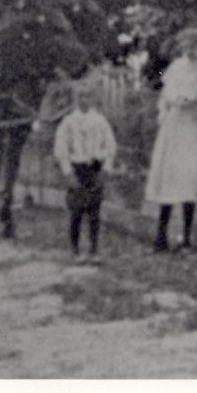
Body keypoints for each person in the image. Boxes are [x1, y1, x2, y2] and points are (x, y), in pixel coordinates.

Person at [144, 27, 197, 253]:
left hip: (190, 125)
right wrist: (169, 97)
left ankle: (187, 238)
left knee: (187, 176)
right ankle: (161, 237)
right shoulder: (175, 66)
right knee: (168, 175)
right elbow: (163, 85)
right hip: (173, 124)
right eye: (186, 45)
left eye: (194, 45)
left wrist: (196, 95)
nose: (189, 50)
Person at [51, 81, 117, 264]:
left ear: (93, 98)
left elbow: (111, 146)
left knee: (95, 211)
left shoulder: (100, 121)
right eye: (80, 97)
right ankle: (75, 249)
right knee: (76, 211)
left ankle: (94, 249)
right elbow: (61, 149)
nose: (84, 100)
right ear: (75, 99)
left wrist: (106, 168)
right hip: (77, 168)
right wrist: (68, 172)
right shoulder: (68, 122)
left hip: (94, 168)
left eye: (87, 96)